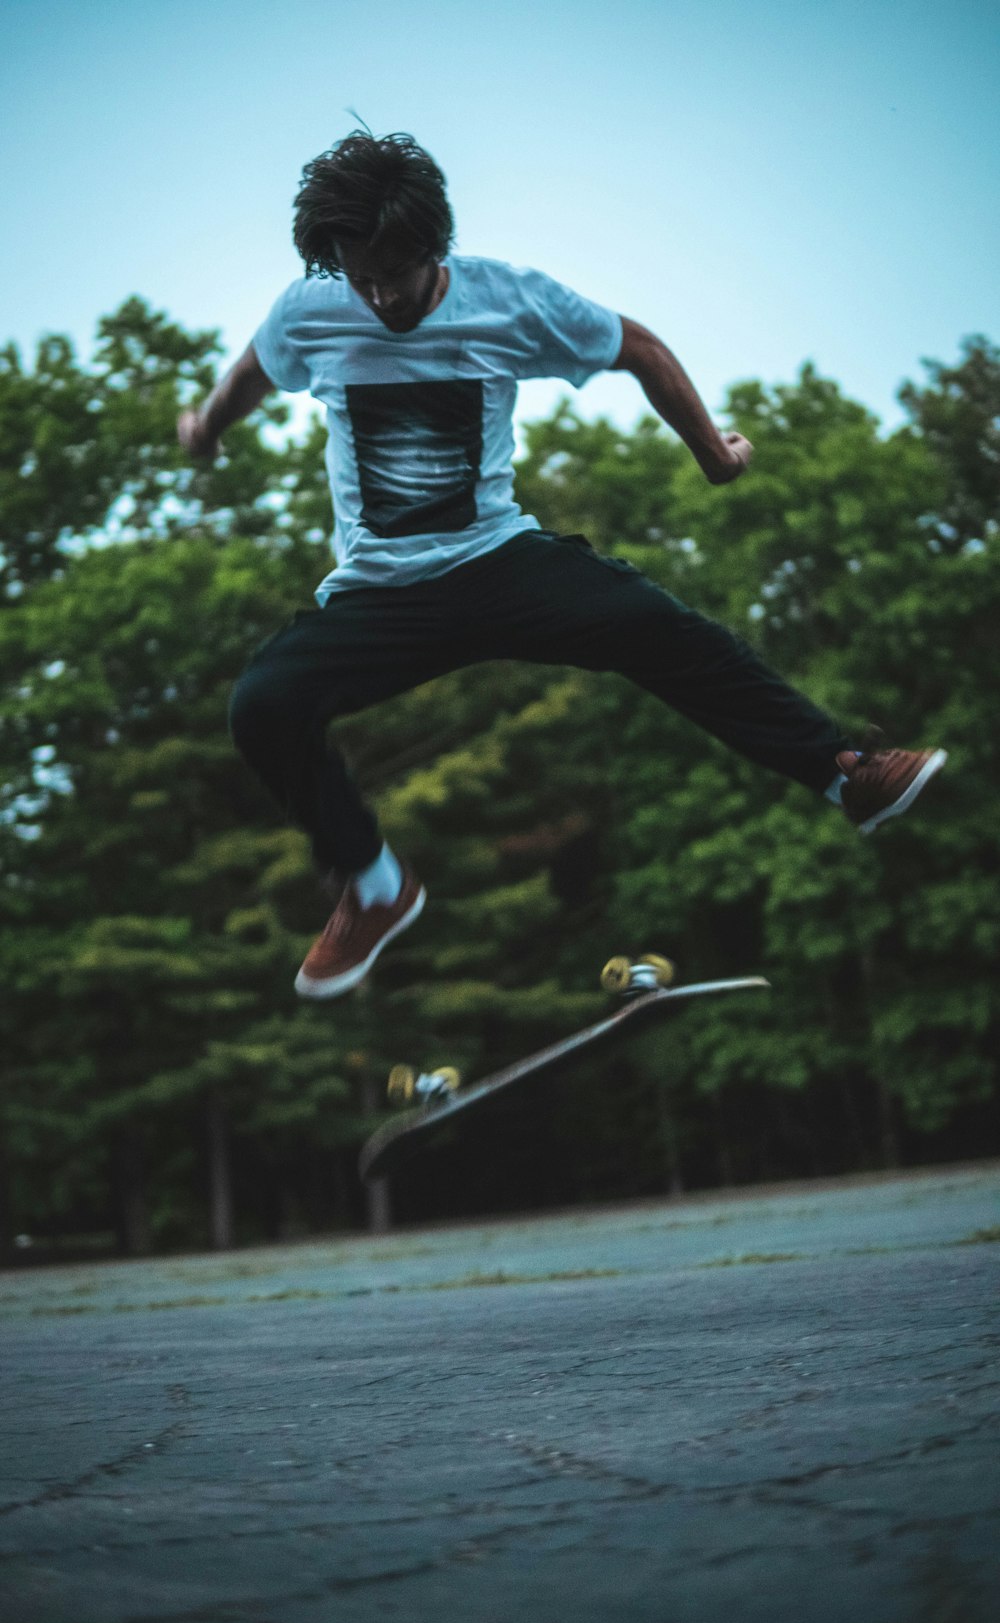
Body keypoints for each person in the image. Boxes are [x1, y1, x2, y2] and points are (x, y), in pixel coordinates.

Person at [177, 130, 946, 1000]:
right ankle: (374, 886)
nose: (383, 295)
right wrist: (207, 425)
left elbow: (641, 350)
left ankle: (845, 774)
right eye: (364, 279)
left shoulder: (509, 299)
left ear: (437, 245)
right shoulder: (310, 310)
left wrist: (715, 456)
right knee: (262, 704)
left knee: (652, 624)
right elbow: (252, 371)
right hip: (382, 590)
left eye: (398, 272)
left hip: (497, 560)